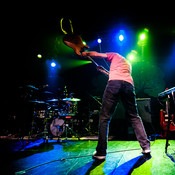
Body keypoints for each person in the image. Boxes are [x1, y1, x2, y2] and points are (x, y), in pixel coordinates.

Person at [82, 51, 151, 160]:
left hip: (114, 84)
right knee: (134, 116)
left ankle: (101, 152)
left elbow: (97, 55)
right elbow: (119, 76)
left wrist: (85, 53)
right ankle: (146, 147)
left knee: (104, 118)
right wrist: (105, 72)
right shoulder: (127, 63)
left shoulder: (114, 55)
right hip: (128, 85)